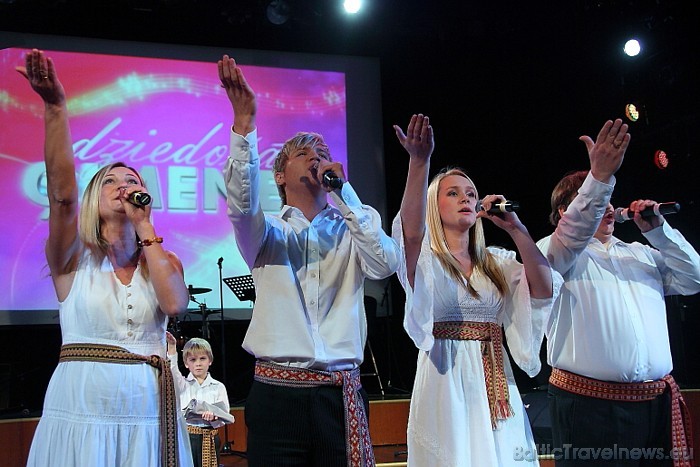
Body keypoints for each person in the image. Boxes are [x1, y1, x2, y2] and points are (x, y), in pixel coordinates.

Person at [218, 54, 400, 467]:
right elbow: (240, 206)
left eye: (323, 150)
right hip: (277, 395)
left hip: (339, 394)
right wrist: (244, 124)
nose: (317, 155)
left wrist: (344, 192)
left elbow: (383, 266)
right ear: (280, 176)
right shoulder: (268, 232)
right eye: (304, 152)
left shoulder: (356, 222)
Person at [19, 49, 194, 467]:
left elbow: (174, 305)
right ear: (93, 199)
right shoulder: (72, 261)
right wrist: (55, 108)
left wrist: (145, 227)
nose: (122, 185)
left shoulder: (162, 259)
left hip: (150, 413)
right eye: (110, 181)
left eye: (131, 180)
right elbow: (61, 198)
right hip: (82, 410)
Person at [392, 114, 563, 467]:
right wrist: (418, 162)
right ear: (434, 206)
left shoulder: (496, 262)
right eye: (452, 193)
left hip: (495, 378)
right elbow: (409, 231)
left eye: (470, 193)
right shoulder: (425, 258)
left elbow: (544, 287)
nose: (464, 198)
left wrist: (516, 229)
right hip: (445, 377)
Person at [537, 119, 700, 466]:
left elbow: (695, 278)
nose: (608, 205)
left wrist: (659, 231)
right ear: (566, 212)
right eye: (599, 200)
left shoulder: (640, 253)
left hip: (654, 406)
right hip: (591, 410)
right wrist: (599, 178)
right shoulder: (553, 254)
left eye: (611, 197)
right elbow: (569, 239)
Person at [167, 333, 232, 467]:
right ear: (186, 363)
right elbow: (172, 370)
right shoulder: (183, 384)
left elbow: (225, 415)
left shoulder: (218, 387)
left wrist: (214, 418)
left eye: (202, 358)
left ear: (210, 361)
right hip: (188, 436)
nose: (198, 364)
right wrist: (172, 347)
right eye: (193, 360)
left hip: (210, 436)